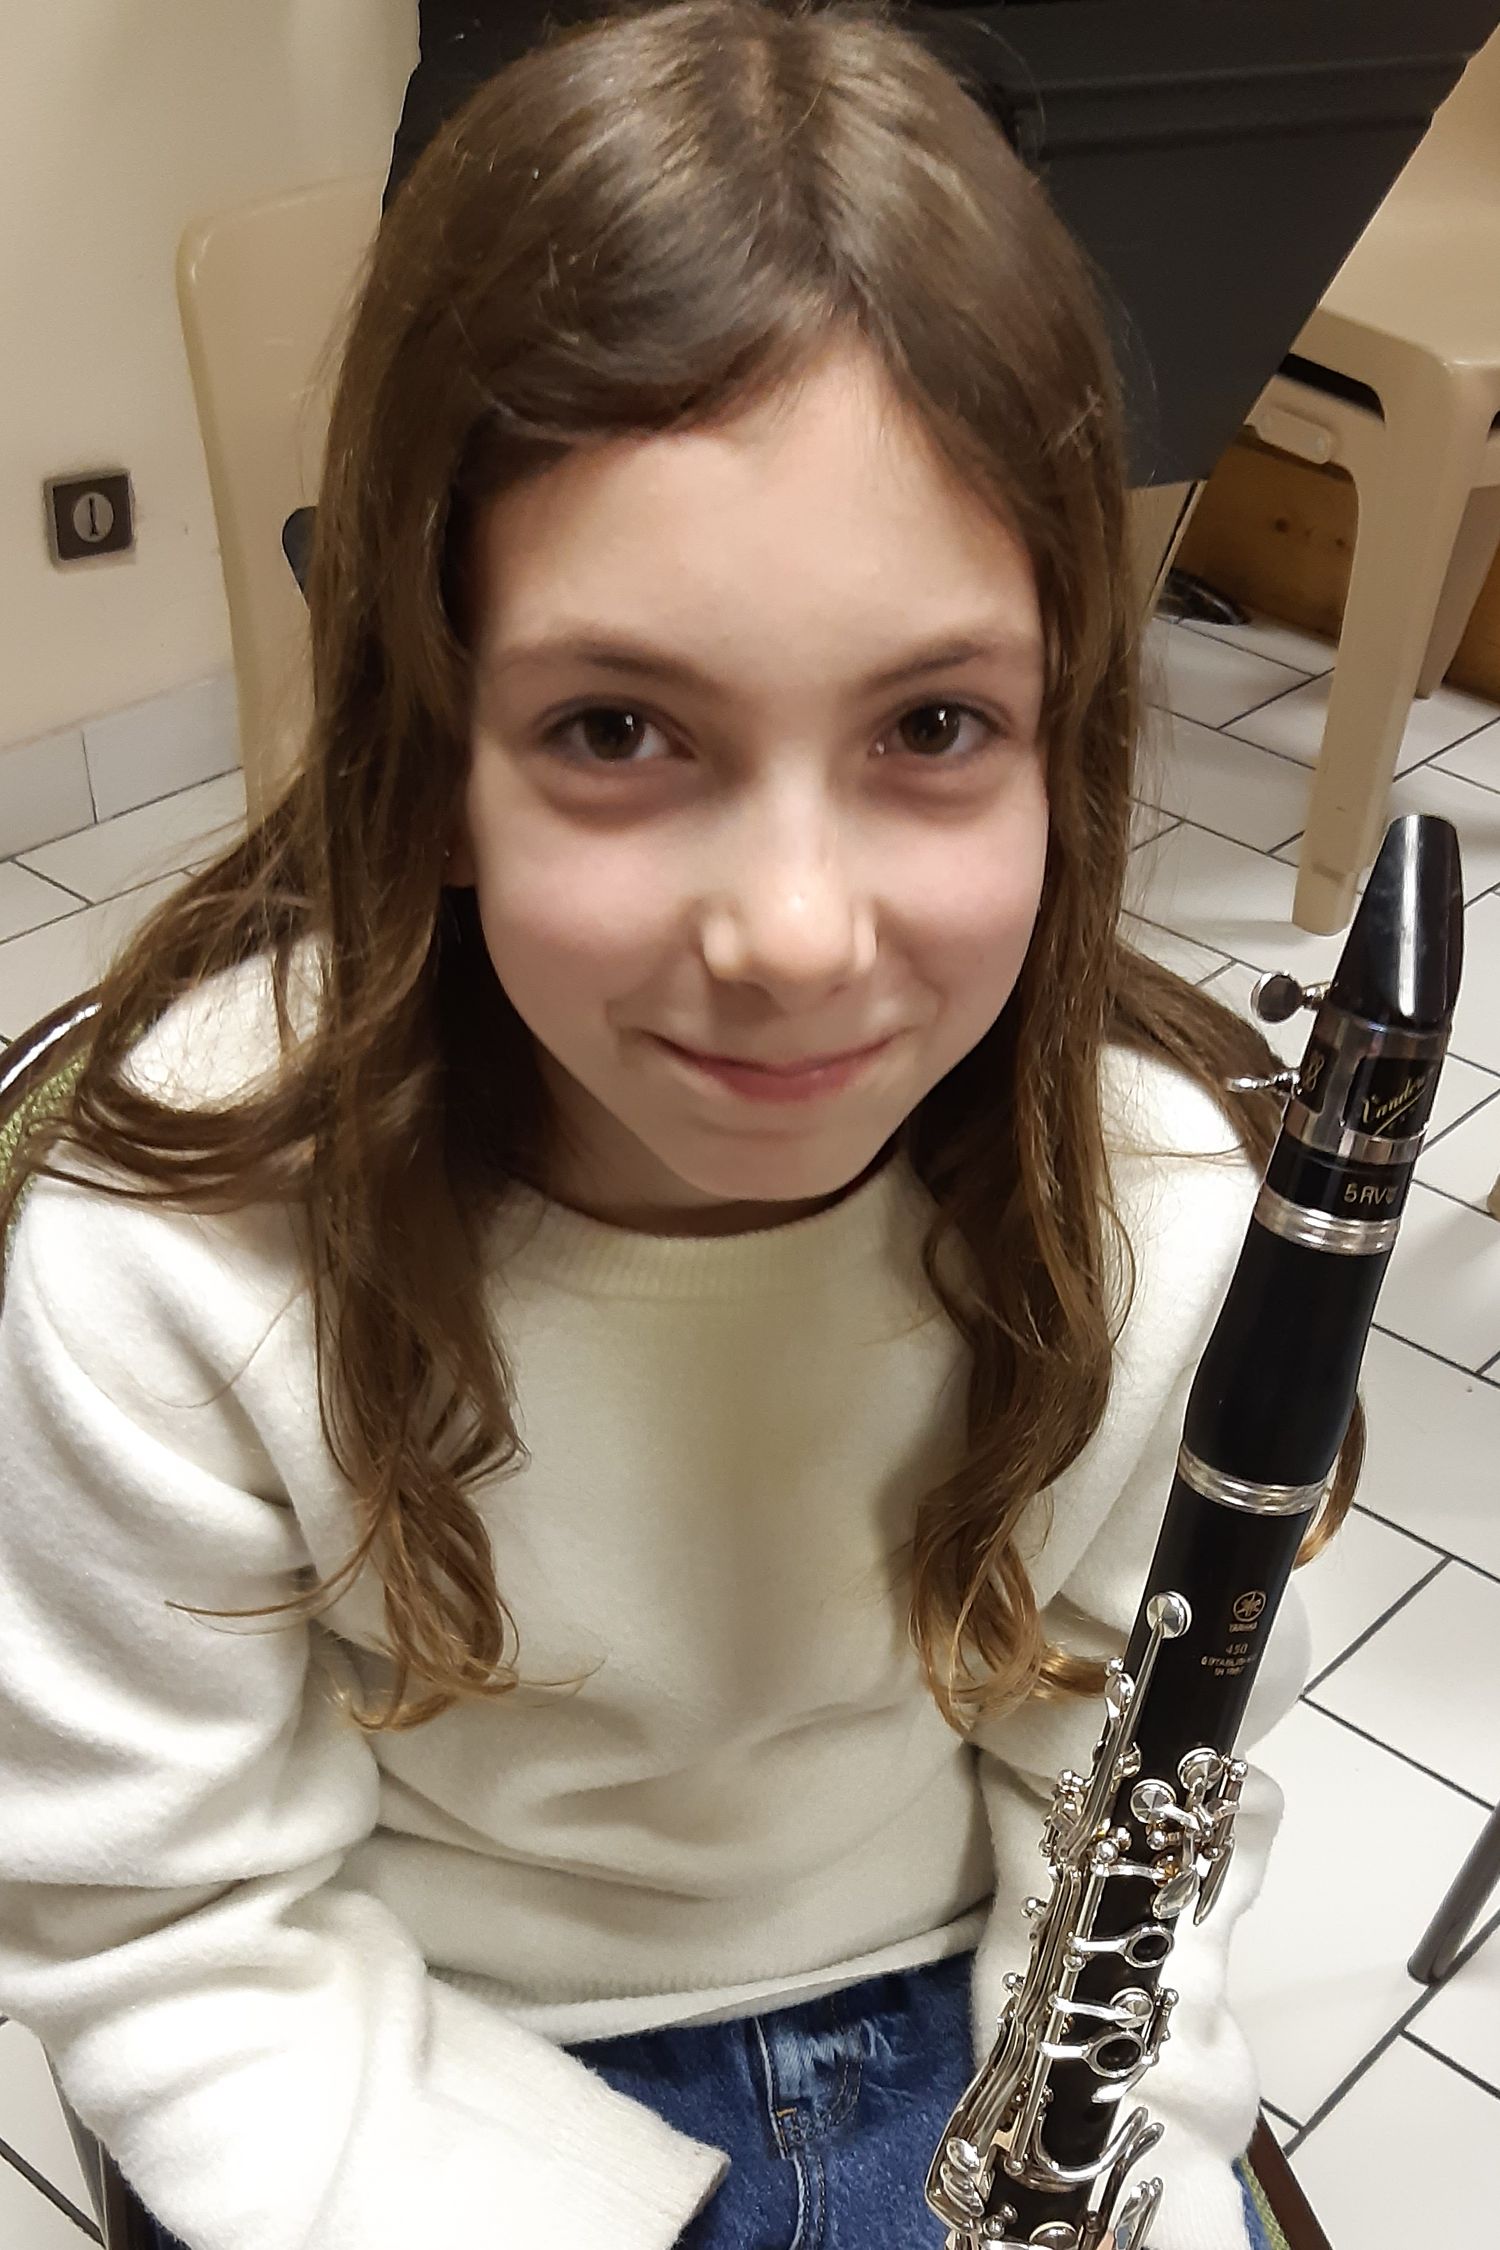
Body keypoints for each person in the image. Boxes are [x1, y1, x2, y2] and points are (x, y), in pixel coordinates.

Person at [0, 4, 1340, 2247]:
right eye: (619, 728)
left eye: (934, 724)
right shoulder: (174, 1259)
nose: (797, 939)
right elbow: (168, 1925)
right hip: (408, 2045)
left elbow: (1133, 1800)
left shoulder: (1168, 1212)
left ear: (1066, 740)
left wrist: (1132, 2166)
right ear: (432, 753)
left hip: (961, 2001)